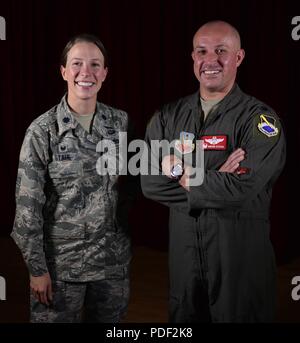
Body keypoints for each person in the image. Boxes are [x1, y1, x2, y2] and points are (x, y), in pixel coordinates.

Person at [141, 20, 286, 322]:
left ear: (239, 57)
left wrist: (180, 172)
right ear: (193, 57)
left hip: (240, 261)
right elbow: (150, 182)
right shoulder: (167, 117)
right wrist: (216, 178)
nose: (211, 60)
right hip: (185, 261)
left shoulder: (260, 121)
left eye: (221, 51)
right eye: (202, 51)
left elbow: (242, 188)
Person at [11, 34, 137, 323]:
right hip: (61, 270)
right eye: (77, 64)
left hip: (112, 268)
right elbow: (27, 209)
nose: (86, 72)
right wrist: (37, 269)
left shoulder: (121, 123)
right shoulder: (43, 131)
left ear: (105, 73)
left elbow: (135, 182)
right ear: (64, 71)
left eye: (95, 65)